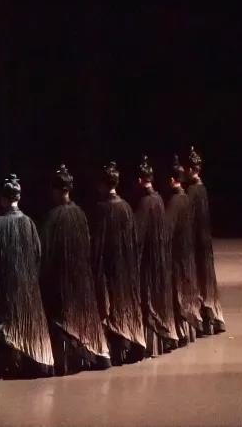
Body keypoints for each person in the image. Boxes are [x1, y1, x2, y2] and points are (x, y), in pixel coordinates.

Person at [38, 165, 110, 375]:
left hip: (61, 278)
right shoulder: (80, 214)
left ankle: (68, 361)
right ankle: (93, 353)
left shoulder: (52, 218)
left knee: (63, 318)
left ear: (57, 190)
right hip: (81, 275)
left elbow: (45, 252)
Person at [0, 174, 54, 378]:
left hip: (7, 284)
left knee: (9, 325)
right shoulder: (29, 223)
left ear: (3, 199)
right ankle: (34, 361)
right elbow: (38, 253)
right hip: (27, 283)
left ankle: (13, 363)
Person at [88, 162, 146, 365]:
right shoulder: (126, 207)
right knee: (124, 303)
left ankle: (116, 348)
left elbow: (97, 242)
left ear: (104, 184)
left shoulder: (102, 209)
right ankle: (130, 342)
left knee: (110, 305)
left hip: (109, 267)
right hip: (125, 266)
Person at [133, 156, 177, 356]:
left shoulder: (145, 202)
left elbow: (138, 235)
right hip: (158, 257)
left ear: (140, 180)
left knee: (148, 299)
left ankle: (151, 346)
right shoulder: (159, 199)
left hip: (148, 260)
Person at [184, 146, 225, 335]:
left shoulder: (192, 190)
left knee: (198, 279)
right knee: (206, 278)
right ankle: (212, 319)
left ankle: (203, 320)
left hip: (195, 240)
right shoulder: (202, 188)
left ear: (190, 169)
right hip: (204, 238)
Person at [166, 155, 202, 345]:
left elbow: (167, 229)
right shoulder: (186, 198)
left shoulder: (174, 201)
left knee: (179, 291)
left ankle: (182, 333)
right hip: (187, 251)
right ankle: (190, 330)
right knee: (187, 290)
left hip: (178, 253)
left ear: (172, 180)